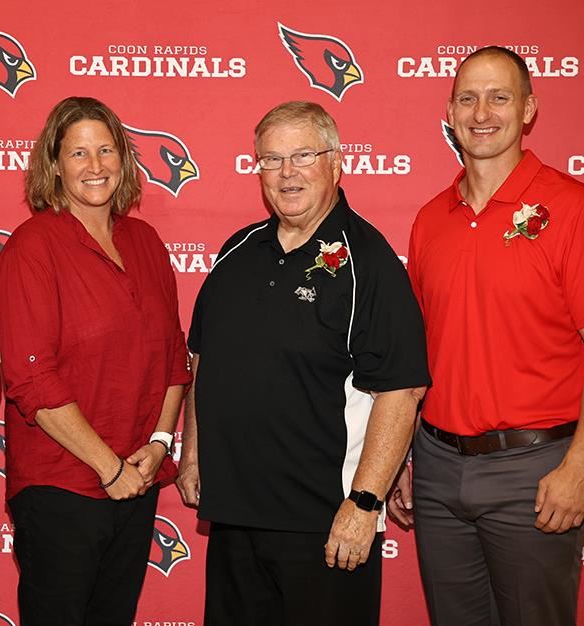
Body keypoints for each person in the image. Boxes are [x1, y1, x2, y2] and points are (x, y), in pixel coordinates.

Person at [390, 46, 584, 626]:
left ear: (528, 108)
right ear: (449, 112)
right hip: (436, 465)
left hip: (535, 471)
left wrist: (580, 466)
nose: (483, 112)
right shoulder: (430, 219)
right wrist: (401, 454)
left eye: (499, 97)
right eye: (468, 98)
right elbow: (418, 352)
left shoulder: (576, 210)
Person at [177, 101, 430, 625]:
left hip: (327, 524)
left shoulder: (370, 263)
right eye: (271, 160)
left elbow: (400, 392)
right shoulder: (235, 252)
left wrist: (363, 505)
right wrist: (194, 452)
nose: (287, 172)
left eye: (302, 156)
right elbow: (203, 359)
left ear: (337, 162)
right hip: (235, 518)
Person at [0, 96, 191, 626]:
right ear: (54, 164)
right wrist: (109, 467)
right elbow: (33, 382)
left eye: (106, 150)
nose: (95, 166)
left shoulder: (145, 242)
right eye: (78, 153)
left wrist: (158, 444)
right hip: (62, 487)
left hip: (137, 479)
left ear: (124, 158)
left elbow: (174, 357)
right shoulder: (32, 249)